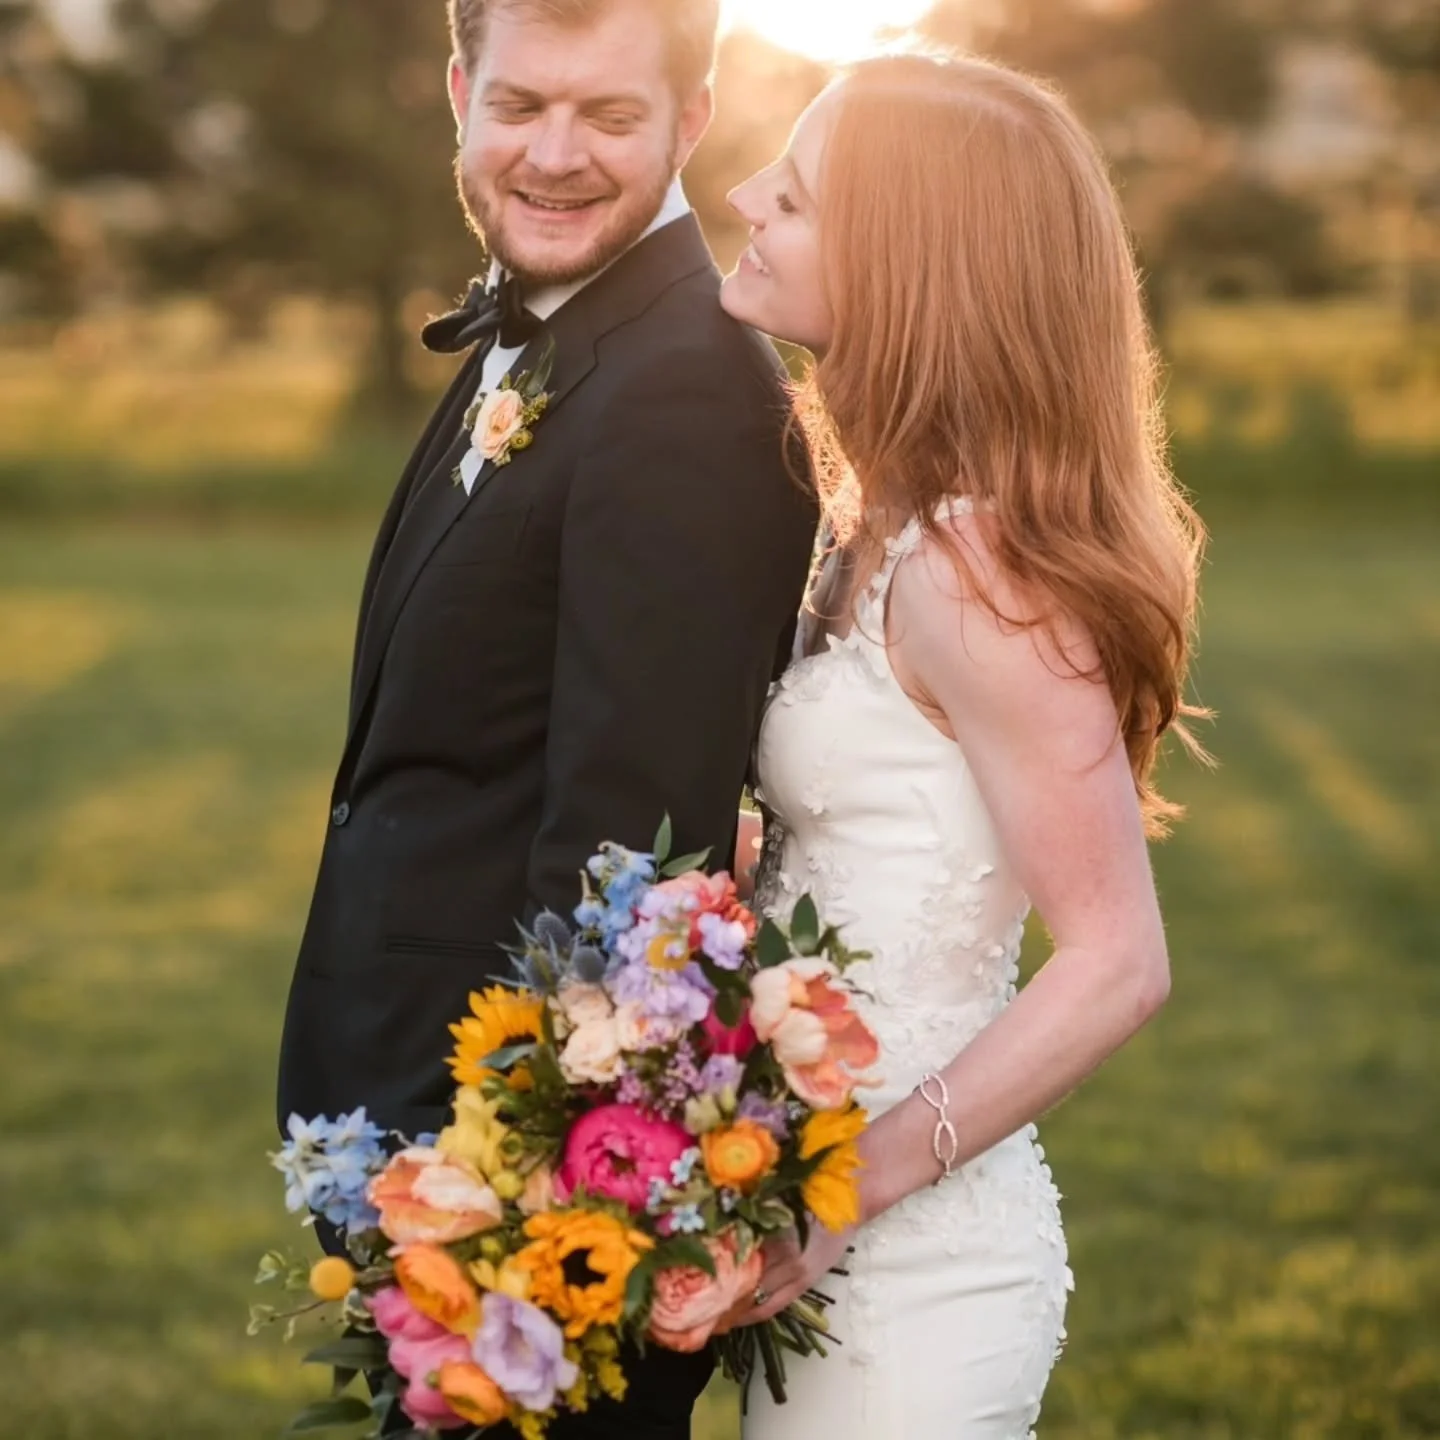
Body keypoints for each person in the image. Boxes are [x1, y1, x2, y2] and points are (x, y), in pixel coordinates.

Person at [275, 1, 817, 1434]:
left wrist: (518, 1247)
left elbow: (632, 870)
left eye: (612, 116)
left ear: (694, 119)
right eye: (519, 106)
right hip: (416, 1139)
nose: (554, 156)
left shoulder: (686, 398)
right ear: (459, 92)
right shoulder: (549, 331)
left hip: (530, 1230)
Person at [720, 54, 1207, 1438]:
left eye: (798, 196)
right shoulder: (870, 520)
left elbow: (1119, 963)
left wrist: (843, 1186)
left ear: (909, 268)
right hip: (805, 1243)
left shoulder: (975, 569)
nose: (748, 196)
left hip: (914, 1277)